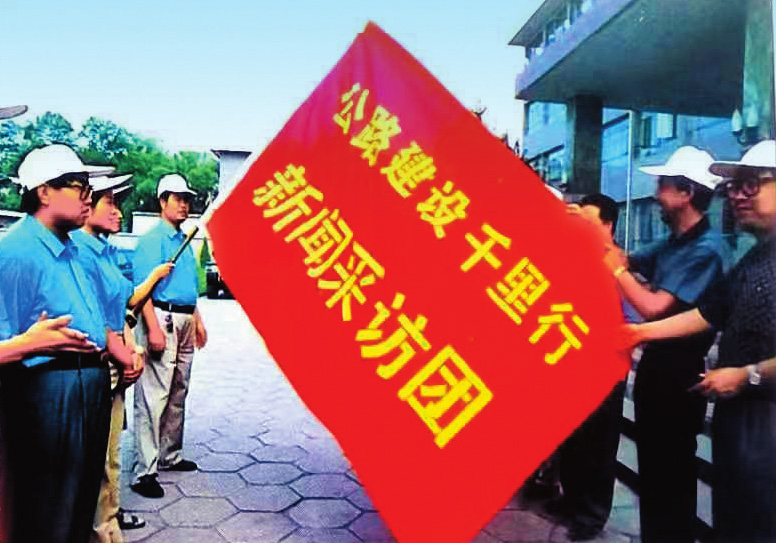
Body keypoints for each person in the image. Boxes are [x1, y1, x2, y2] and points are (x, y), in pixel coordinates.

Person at [623, 140, 775, 543]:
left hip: (766, 417)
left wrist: (749, 375)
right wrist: (638, 333)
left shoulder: (712, 250)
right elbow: (709, 312)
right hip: (737, 414)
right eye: (734, 186)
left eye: (751, 184)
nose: (737, 196)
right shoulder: (754, 259)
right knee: (734, 518)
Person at [0, 144, 134, 543]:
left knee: (79, 506)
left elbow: (95, 318)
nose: (88, 197)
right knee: (47, 512)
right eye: (79, 187)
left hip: (89, 385)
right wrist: (31, 344)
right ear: (43, 192)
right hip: (48, 391)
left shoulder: (76, 250)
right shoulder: (16, 251)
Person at [603, 146, 724, 543]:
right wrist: (596, 232)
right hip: (657, 371)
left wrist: (618, 273)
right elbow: (625, 260)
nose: (656, 194)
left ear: (686, 193)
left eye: (662, 186)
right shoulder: (674, 242)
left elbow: (654, 307)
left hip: (679, 378)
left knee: (671, 475)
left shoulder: (705, 251)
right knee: (654, 474)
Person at [72, 174, 173, 541]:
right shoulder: (79, 252)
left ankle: (109, 517)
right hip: (96, 363)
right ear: (86, 205)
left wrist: (132, 347)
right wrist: (126, 355)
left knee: (110, 451)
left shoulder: (105, 250)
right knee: (99, 456)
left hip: (114, 361)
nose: (118, 211)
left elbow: (123, 305)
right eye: (110, 202)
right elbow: (94, 318)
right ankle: (103, 528)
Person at [545, 193, 626, 541]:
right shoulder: (579, 255)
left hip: (606, 366)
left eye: (589, 224)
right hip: (574, 361)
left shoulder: (617, 261)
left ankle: (592, 514)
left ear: (608, 225)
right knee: (573, 438)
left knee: (598, 444)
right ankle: (572, 499)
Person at [131, 173, 207, 498]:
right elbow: (143, 288)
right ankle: (144, 471)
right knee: (154, 393)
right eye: (177, 198)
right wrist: (151, 327)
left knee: (178, 389)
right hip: (162, 317)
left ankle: (170, 454)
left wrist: (197, 319)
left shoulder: (183, 240)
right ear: (162, 202)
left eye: (187, 199)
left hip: (184, 316)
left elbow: (188, 285)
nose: (184, 204)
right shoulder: (153, 240)